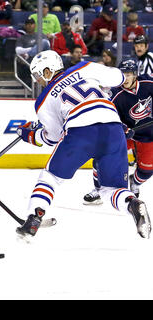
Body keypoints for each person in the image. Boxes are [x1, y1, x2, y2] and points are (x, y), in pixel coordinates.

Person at [15, 50, 151, 239]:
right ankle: (132, 204)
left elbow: (53, 137)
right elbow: (119, 77)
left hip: (81, 131)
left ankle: (33, 217)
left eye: (39, 75)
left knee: (50, 177)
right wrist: (102, 86)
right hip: (113, 127)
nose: (39, 80)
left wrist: (30, 135)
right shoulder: (84, 67)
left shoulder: (43, 100)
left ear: (48, 71)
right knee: (112, 189)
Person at [83, 59, 153, 204]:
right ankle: (98, 189)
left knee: (147, 171)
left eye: (128, 74)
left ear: (135, 75)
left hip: (148, 134)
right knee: (100, 156)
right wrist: (121, 127)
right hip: (125, 133)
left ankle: (136, 182)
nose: (125, 78)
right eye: (122, 74)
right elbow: (108, 115)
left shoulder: (148, 84)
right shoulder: (114, 94)